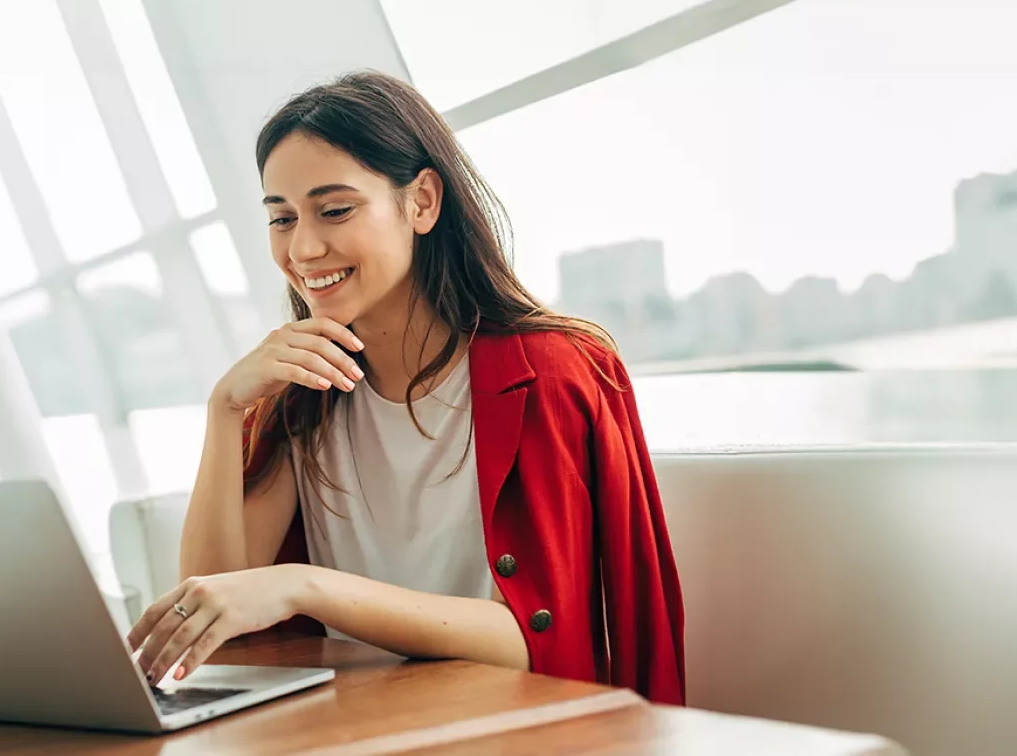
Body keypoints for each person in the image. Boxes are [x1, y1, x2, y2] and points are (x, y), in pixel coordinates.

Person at [126, 70, 685, 704]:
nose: (304, 247)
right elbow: (217, 618)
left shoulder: (551, 371)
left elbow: (538, 642)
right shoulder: (299, 395)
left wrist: (305, 585)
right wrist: (225, 411)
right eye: (281, 219)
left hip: (514, 731)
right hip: (351, 729)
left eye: (334, 210)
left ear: (421, 202)